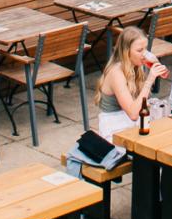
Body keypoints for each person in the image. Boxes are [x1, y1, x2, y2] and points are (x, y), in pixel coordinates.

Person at [70, 26, 164, 173]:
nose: (144, 54)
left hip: (131, 124)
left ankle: (157, 191)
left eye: (146, 49)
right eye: (139, 51)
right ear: (126, 51)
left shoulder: (135, 66)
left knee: (163, 141)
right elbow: (133, 113)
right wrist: (150, 80)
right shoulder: (116, 72)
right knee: (153, 152)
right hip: (115, 130)